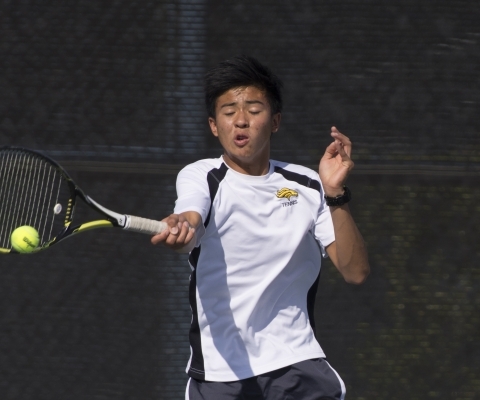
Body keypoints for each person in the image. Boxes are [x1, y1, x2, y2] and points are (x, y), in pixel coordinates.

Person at [151, 55, 370, 400]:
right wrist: (181, 227)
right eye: (228, 112)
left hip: (296, 362)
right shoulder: (201, 176)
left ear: (275, 121)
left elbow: (355, 271)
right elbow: (190, 221)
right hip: (222, 372)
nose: (241, 121)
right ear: (213, 125)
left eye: (254, 111)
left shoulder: (309, 184)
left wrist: (335, 194)